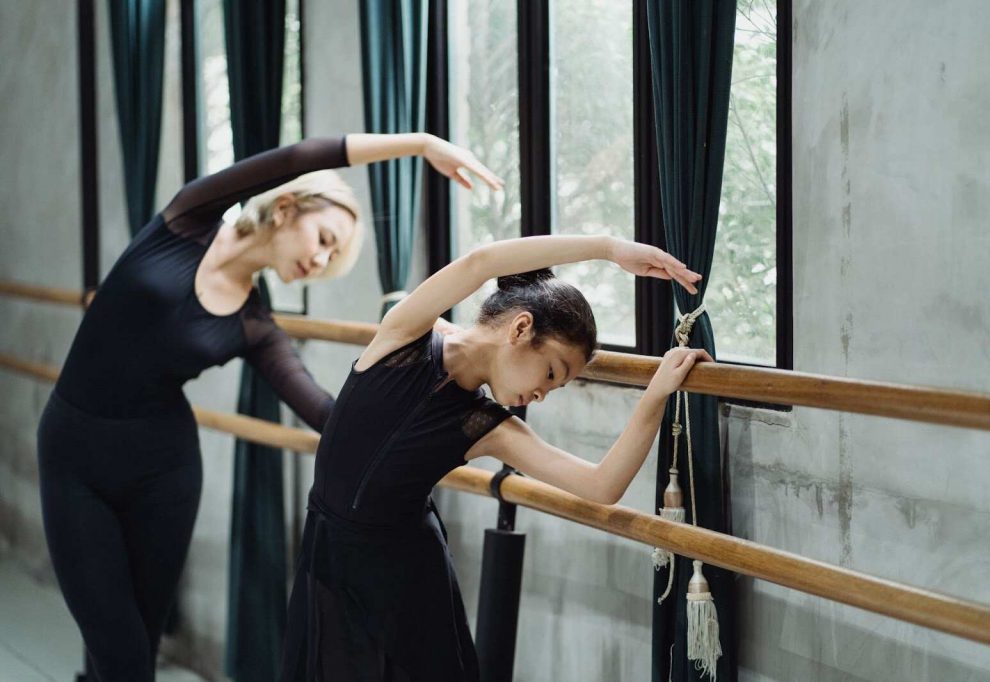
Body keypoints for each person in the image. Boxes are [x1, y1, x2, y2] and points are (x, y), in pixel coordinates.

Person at [37, 132, 501, 681]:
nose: (323, 258)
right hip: (74, 456)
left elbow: (330, 415)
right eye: (325, 238)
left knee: (133, 639)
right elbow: (300, 157)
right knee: (120, 650)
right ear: (286, 208)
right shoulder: (187, 219)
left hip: (163, 472)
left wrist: (443, 424)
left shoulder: (254, 327)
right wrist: (421, 144)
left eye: (333, 256)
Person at [280, 233, 711, 680]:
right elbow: (481, 262)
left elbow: (602, 486)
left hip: (404, 577)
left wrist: (654, 396)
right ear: (520, 329)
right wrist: (608, 249)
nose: (542, 393)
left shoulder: (487, 426)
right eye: (550, 372)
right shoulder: (402, 334)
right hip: (326, 555)